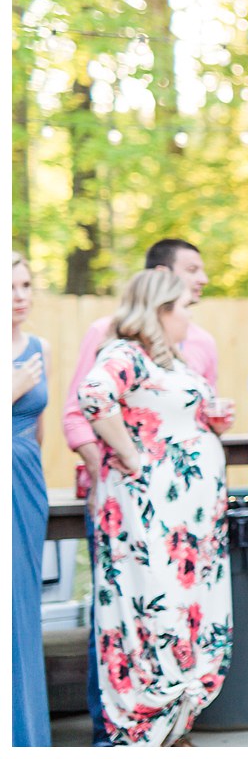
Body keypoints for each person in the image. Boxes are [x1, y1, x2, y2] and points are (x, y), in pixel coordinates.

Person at [61, 238, 219, 746]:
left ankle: (169, 726)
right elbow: (89, 399)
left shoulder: (174, 355)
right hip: (142, 513)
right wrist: (128, 455)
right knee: (143, 613)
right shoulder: (121, 349)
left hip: (182, 519)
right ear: (160, 307)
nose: (189, 318)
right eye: (183, 307)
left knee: (174, 615)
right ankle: (128, 730)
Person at [12, 252, 52, 746]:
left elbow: (40, 430)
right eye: (11, 287)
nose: (20, 296)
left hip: (26, 482)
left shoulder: (38, 346)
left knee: (25, 609)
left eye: (25, 285)